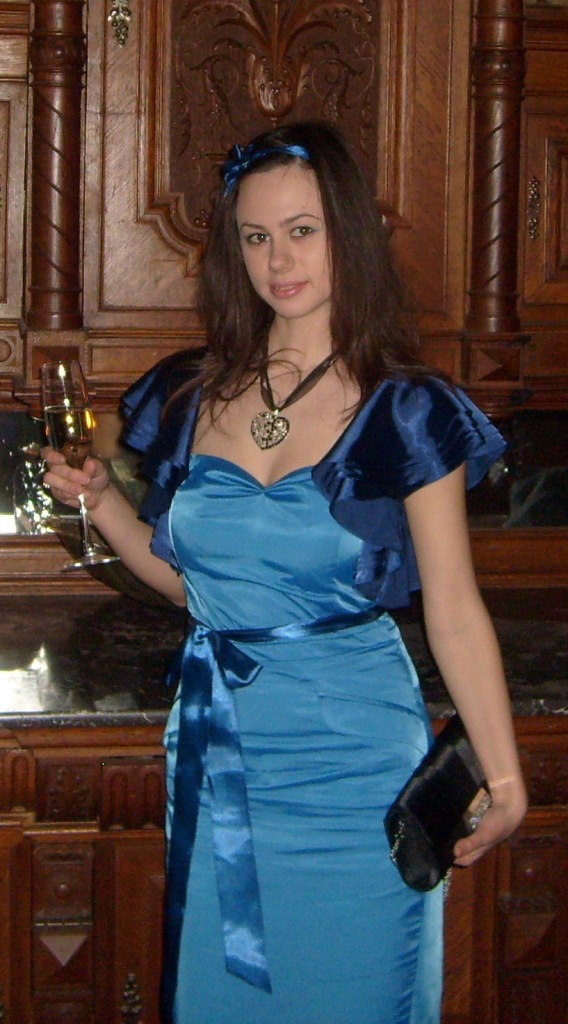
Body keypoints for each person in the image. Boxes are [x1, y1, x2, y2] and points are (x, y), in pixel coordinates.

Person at [43, 121, 527, 1024]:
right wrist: (104, 504)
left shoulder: (405, 408)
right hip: (219, 742)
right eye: (256, 236)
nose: (278, 260)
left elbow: (455, 609)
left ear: (350, 234)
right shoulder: (194, 394)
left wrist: (503, 778)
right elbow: (201, 594)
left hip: (355, 760)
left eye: (303, 231)